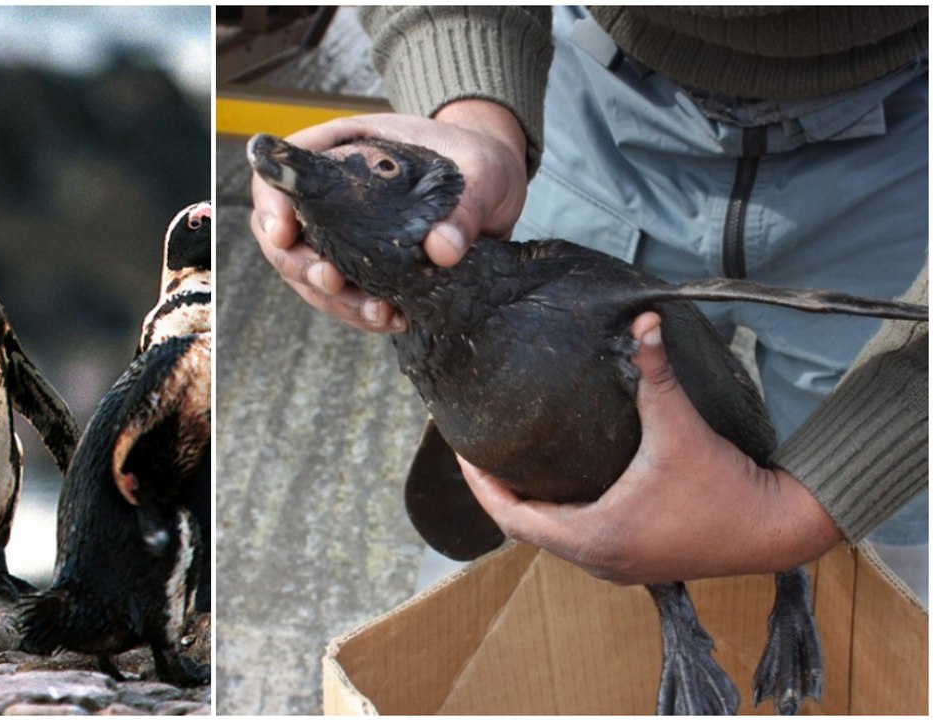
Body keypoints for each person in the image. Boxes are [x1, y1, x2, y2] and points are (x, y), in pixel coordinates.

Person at [250, 7, 929, 593]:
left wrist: (805, 516)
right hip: (594, 106)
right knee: (525, 522)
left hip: (907, 156)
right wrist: (476, 110)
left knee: (881, 516)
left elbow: (856, 475)